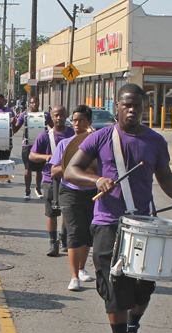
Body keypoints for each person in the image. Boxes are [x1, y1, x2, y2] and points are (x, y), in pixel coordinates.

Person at [64, 83, 172, 333]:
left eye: (137, 105)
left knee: (142, 291)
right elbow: (71, 170)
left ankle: (133, 326)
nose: (132, 110)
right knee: (114, 288)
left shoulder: (155, 141)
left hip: (143, 225)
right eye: (127, 105)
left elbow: (165, 176)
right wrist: (96, 180)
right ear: (117, 108)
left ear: (144, 108)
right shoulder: (100, 138)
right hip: (107, 223)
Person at [50, 105, 95, 291]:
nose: (77, 124)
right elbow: (54, 172)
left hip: (92, 191)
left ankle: (82, 268)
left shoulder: (96, 142)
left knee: (87, 233)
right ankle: (74, 276)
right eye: (74, 120)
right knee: (74, 232)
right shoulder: (64, 144)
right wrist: (71, 164)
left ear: (89, 123)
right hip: (70, 191)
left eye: (81, 120)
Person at [30, 105, 75, 257]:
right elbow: (32, 155)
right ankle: (53, 241)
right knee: (51, 212)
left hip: (68, 178)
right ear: (52, 117)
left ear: (66, 116)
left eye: (61, 115)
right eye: (55, 115)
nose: (58, 118)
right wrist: (45, 157)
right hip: (50, 179)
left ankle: (64, 237)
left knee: (66, 209)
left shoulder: (72, 134)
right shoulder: (45, 136)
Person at [13, 96, 54, 200]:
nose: (34, 104)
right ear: (29, 104)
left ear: (39, 103)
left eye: (36, 102)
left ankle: (38, 188)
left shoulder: (45, 115)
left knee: (40, 169)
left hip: (41, 145)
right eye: (32, 102)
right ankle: (27, 190)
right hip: (27, 145)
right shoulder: (24, 115)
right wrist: (13, 122)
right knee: (28, 169)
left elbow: (54, 128)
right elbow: (15, 130)